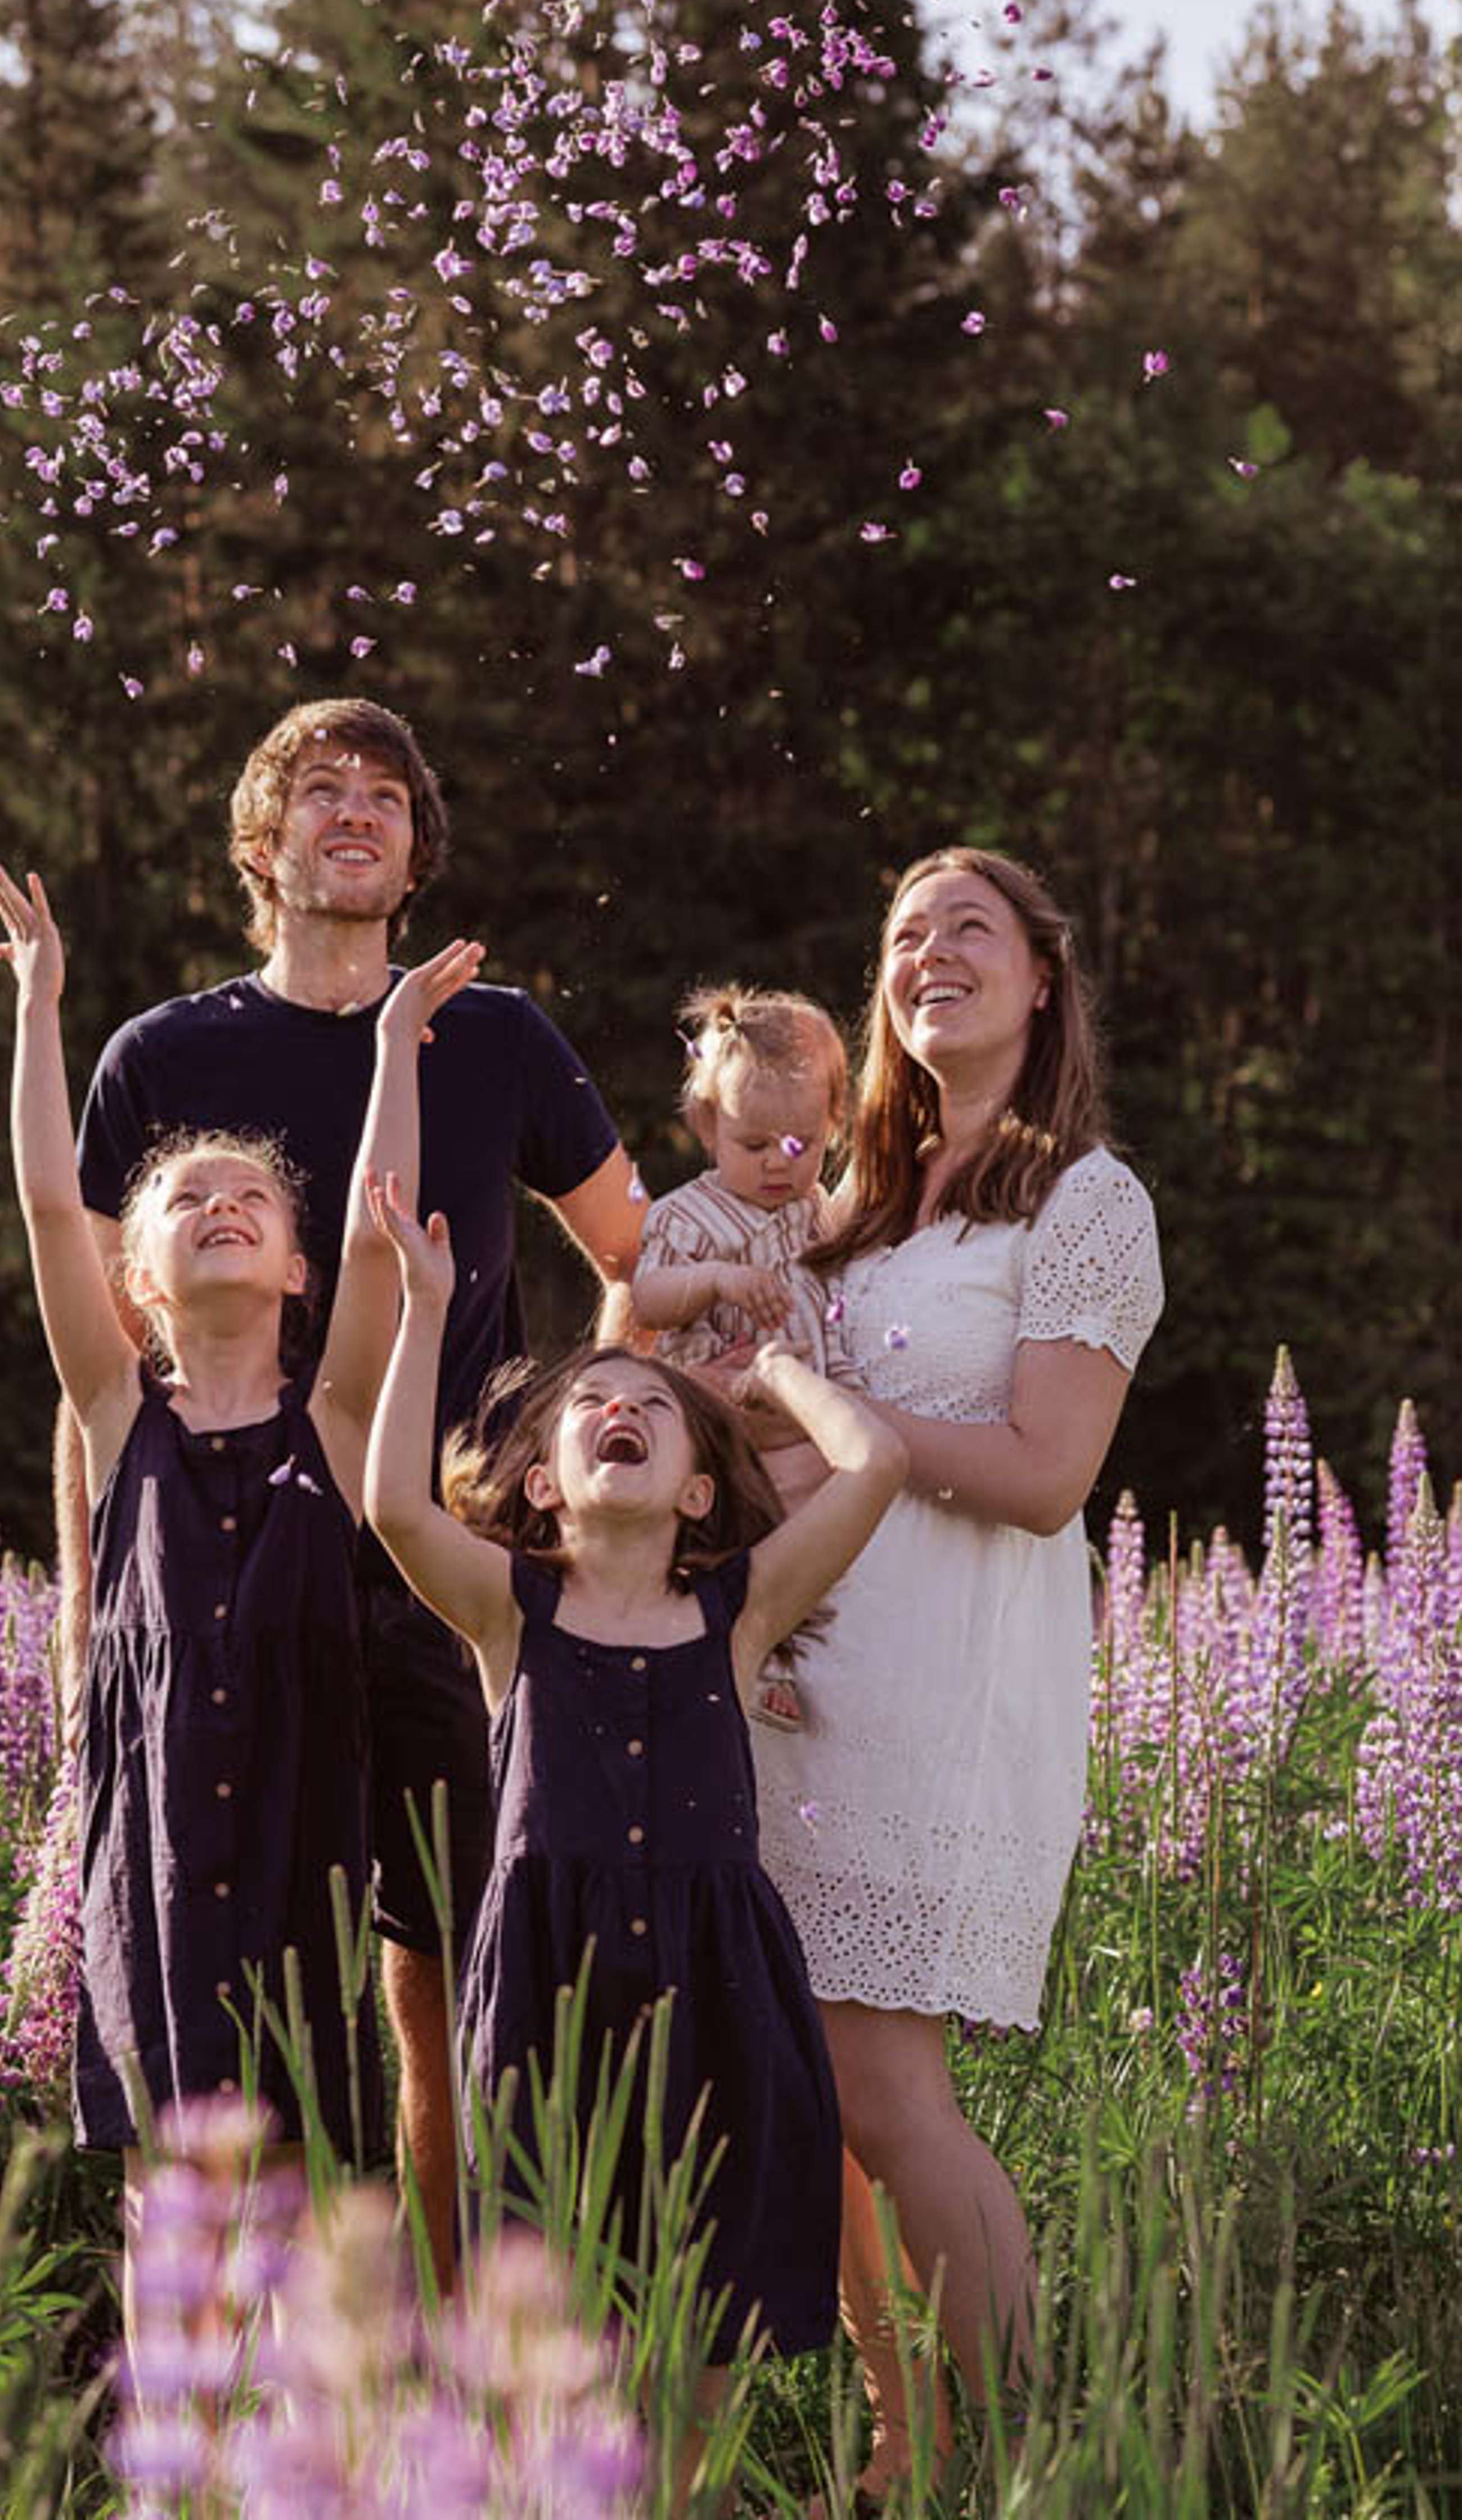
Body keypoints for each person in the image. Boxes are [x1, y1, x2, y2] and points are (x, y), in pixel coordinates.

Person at [64, 697, 649, 2275]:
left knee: (462, 1970)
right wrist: (92, 1639)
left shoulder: (503, 1037)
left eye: (387, 794)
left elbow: (638, 1265)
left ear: (415, 851)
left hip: (459, 1575)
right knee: (259, 1964)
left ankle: (472, 2333)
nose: (356, 812)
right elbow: (107, 1382)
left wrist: (578, 1467)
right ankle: (297, 2361)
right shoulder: (162, 1059)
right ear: (264, 844)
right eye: (319, 789)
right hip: (238, 1594)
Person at [362, 1162, 907, 2492]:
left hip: (717, 1994)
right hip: (552, 2002)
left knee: (703, 2336)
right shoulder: (512, 1615)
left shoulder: (740, 1612)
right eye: (592, 1404)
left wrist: (771, 1371)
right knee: (566, 2341)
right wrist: (424, 1307)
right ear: (542, 1487)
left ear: (700, 1493)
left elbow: (876, 1458)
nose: (617, 1406)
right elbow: (390, 1505)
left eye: (651, 1407)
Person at [0, 851, 481, 2235]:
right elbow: (39, 1202)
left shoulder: (332, 1422)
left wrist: (391, 1043)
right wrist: (38, 1007)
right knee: (170, 2185)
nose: (220, 1205)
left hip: (298, 1852)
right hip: (148, 1856)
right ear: (139, 1279)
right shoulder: (115, 1405)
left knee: (307, 2170)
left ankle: (325, 2436)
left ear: (294, 1268)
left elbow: (383, 1244)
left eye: (249, 1199)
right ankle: (183, 2449)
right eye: (186, 1200)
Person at [751, 846, 1165, 2492]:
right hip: (805, 1684)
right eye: (907, 934)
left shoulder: (1087, 1201)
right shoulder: (845, 1208)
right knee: (821, 2083)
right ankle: (895, 2445)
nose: (933, 954)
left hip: (945, 1688)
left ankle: (999, 2452)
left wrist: (828, 1417)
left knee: (883, 2079)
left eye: (970, 930)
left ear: (1043, 980)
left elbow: (1049, 1469)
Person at [630, 981, 849, 1730]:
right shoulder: (688, 1214)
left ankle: (789, 1659)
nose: (778, 1166)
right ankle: (744, 1665)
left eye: (802, 1145)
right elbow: (649, 1298)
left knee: (813, 1541)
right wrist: (717, 1278)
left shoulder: (818, 1211)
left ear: (833, 1126)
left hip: (808, 1416)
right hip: (723, 1421)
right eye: (753, 1146)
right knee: (727, 1540)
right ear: (705, 1124)